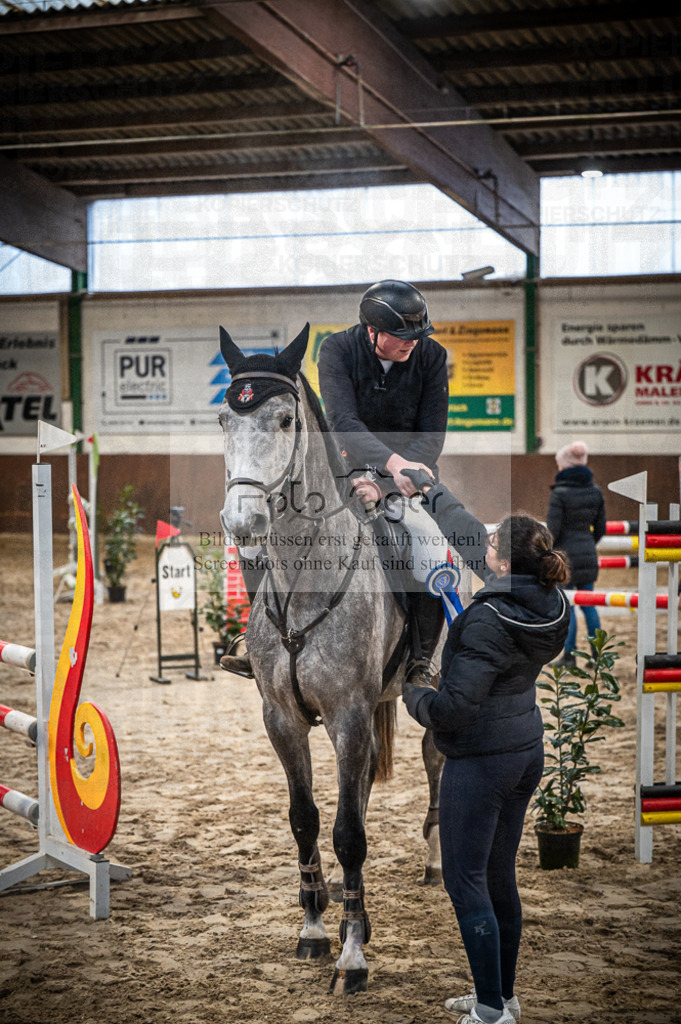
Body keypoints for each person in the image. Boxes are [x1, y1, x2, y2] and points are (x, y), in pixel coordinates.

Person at [400, 467, 570, 1024]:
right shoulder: (547, 597)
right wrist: (430, 490)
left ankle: (491, 1012)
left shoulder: (487, 620)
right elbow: (471, 533)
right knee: (499, 875)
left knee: (464, 880)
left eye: (494, 542)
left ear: (501, 564)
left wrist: (415, 696)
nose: (485, 542)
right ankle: (501, 994)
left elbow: (454, 709)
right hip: (523, 747)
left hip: (480, 760)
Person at [316, 279, 451, 685]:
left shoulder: (430, 355)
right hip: (345, 471)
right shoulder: (336, 350)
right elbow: (343, 422)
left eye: (417, 334)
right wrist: (376, 469)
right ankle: (258, 641)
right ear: (372, 331)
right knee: (278, 536)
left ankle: (423, 659)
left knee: (431, 546)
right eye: (401, 335)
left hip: (409, 478)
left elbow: (432, 432)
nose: (411, 342)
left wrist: (393, 481)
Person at [546, 441, 606, 667]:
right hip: (588, 555)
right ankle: (598, 656)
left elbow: (552, 530)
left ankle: (569, 656)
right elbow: (601, 529)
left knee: (567, 605)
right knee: (589, 605)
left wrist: (550, 552)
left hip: (566, 558)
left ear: (564, 466)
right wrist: (588, 544)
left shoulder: (559, 493)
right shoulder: (595, 491)